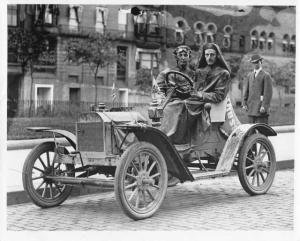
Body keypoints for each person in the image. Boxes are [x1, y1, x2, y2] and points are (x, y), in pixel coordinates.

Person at [155, 45, 195, 144]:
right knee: (158, 109)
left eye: (185, 55)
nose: (182, 57)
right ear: (176, 57)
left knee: (179, 106)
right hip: (169, 100)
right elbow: (158, 90)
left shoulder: (194, 74)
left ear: (189, 57)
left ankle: (170, 138)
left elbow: (198, 89)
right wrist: (160, 98)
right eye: (180, 55)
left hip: (188, 102)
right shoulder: (167, 73)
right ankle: (159, 135)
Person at [242, 54, 273, 124]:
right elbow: (246, 91)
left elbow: (268, 93)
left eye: (257, 62)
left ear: (261, 62)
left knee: (261, 131)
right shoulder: (249, 75)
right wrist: (244, 103)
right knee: (251, 132)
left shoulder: (266, 76)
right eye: (253, 63)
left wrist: (264, 106)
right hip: (251, 108)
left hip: (260, 109)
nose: (255, 64)